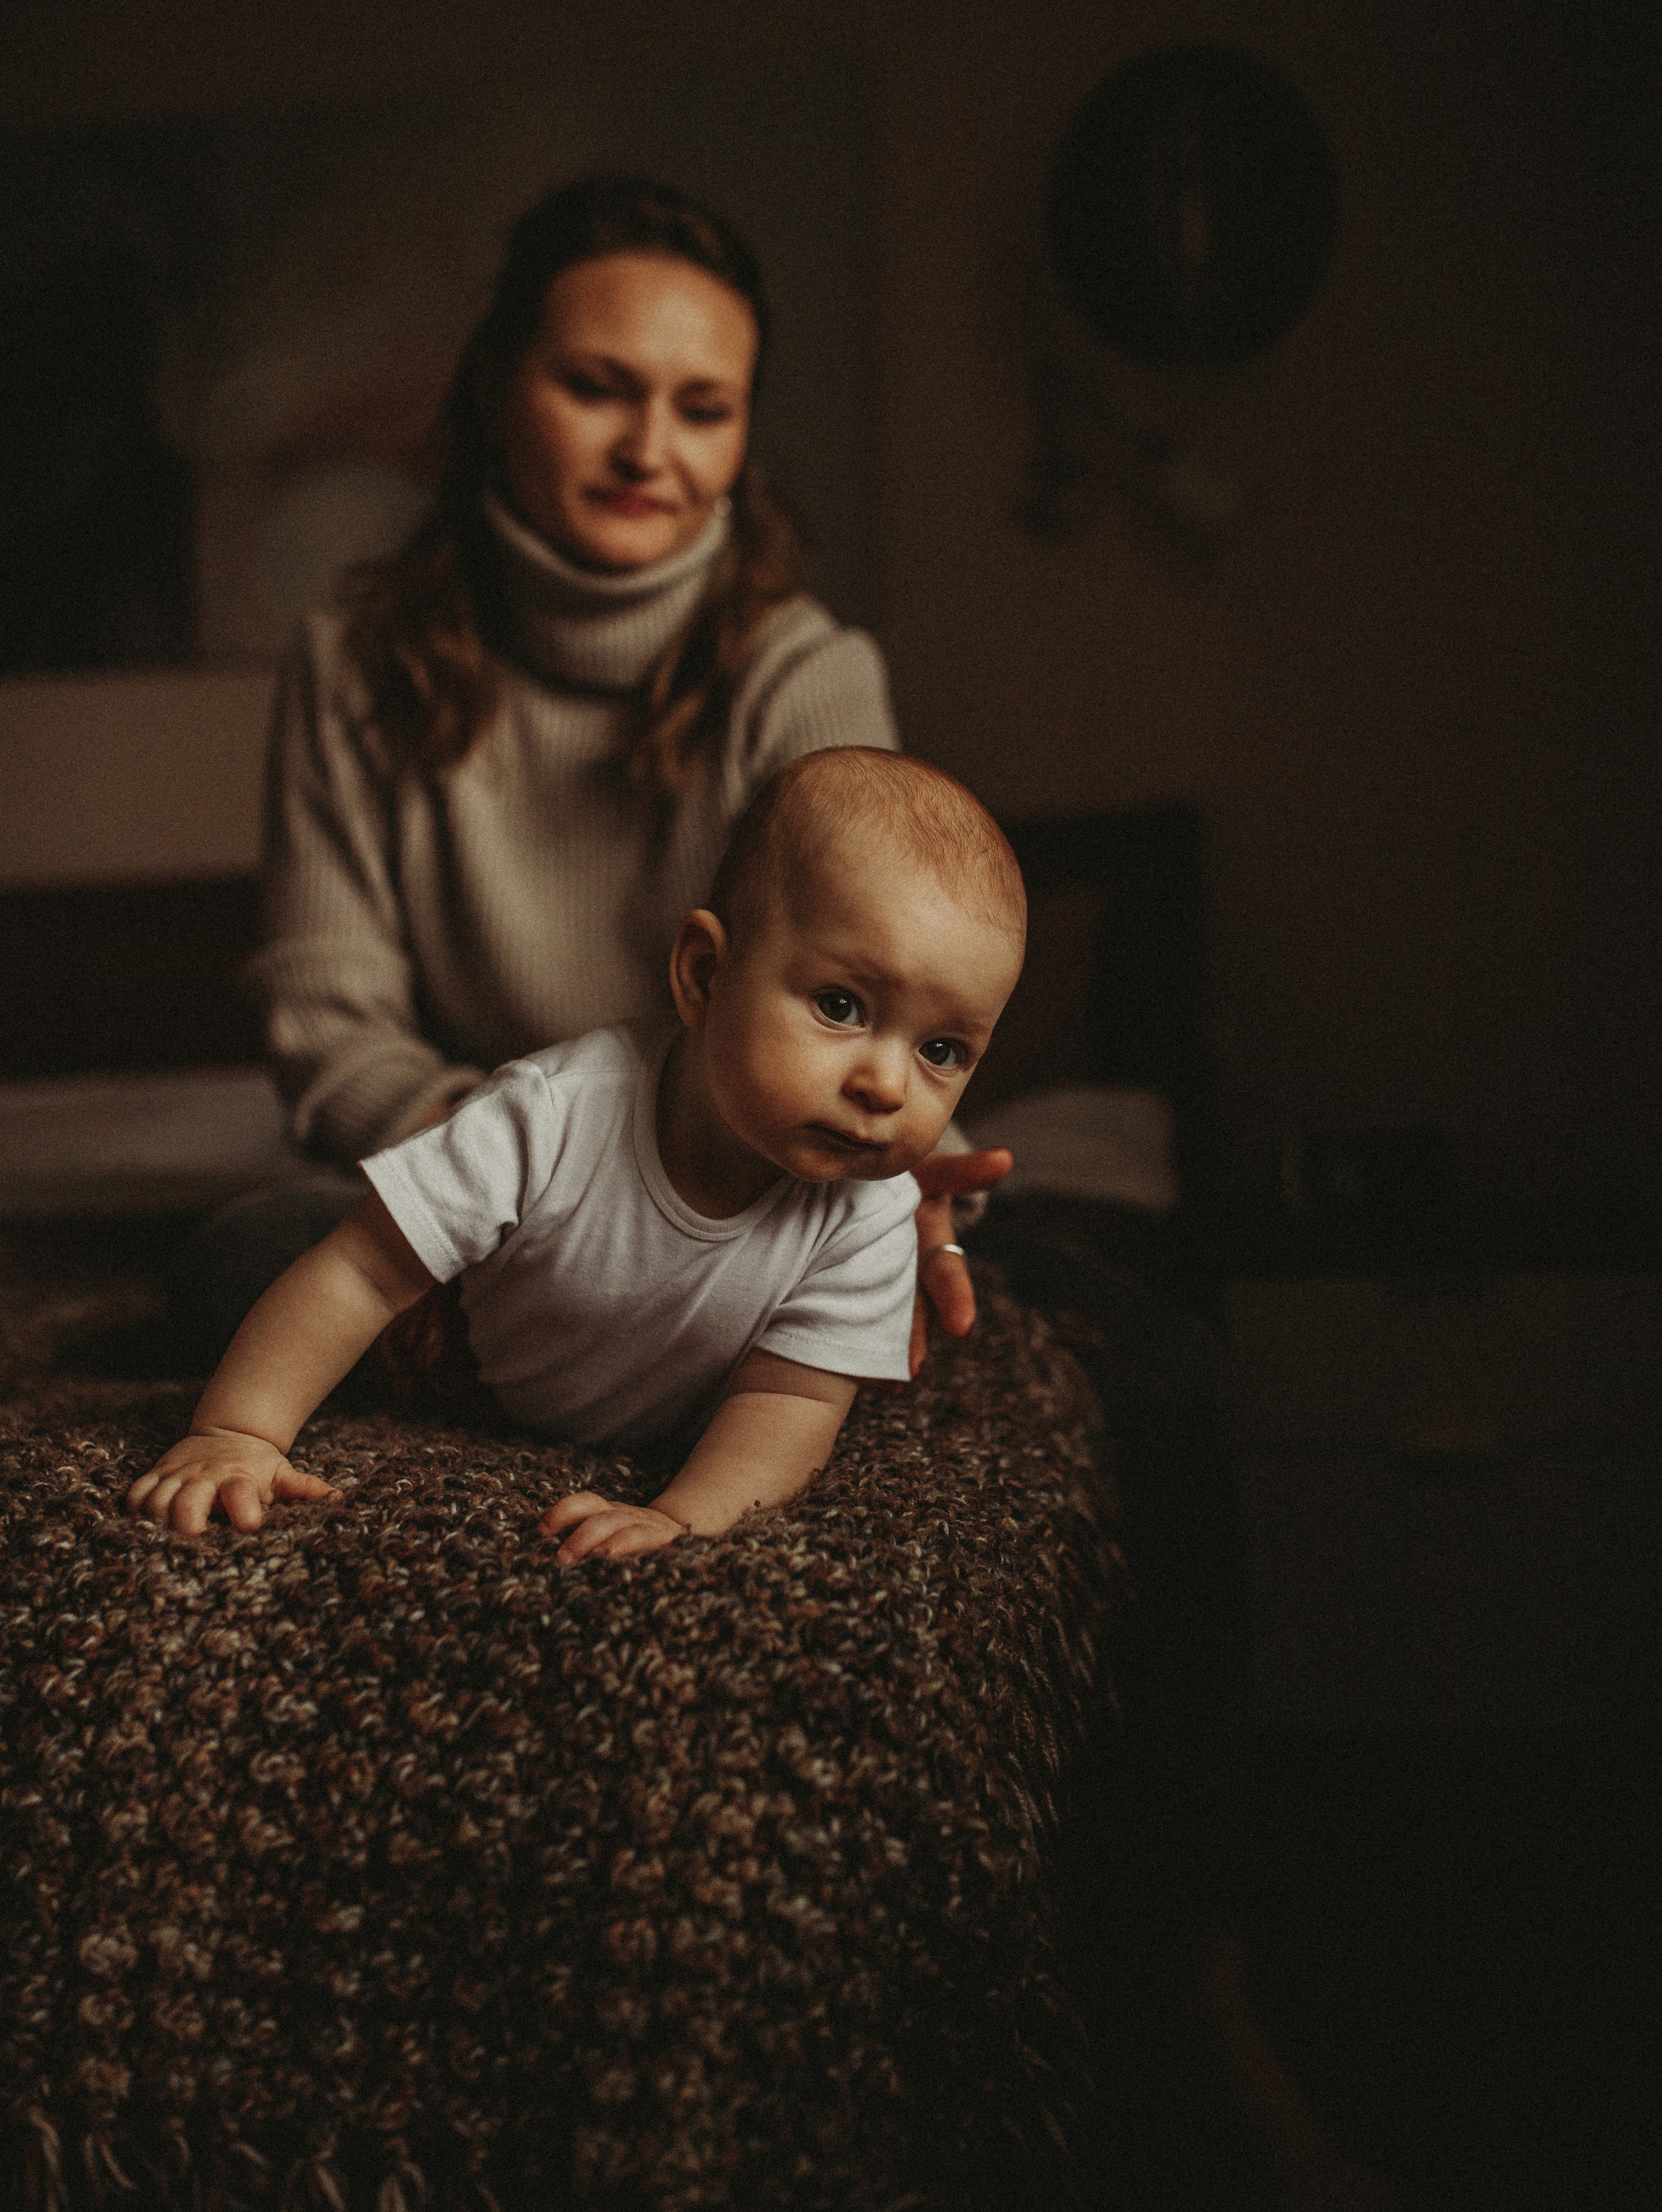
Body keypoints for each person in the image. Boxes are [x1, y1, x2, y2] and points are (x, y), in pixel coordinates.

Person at [178, 171, 1006, 1371]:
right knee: (243, 1258)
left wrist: (913, 1191)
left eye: (704, 409)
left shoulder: (806, 675)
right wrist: (540, 1170)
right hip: (475, 1174)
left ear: (742, 437)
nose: (648, 451)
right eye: (596, 388)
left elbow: (884, 992)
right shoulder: (348, 670)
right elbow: (332, 1028)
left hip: (744, 1174)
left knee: (1025, 1300)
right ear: (495, 389)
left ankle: (553, 1361)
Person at [131, 749, 1026, 1548]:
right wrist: (239, 1435)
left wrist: (684, 1517)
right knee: (247, 1262)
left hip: (639, 1391)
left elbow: (789, 1402)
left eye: (941, 1050)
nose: (887, 1085)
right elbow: (364, 1273)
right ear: (704, 975)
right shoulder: (553, 1113)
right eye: (840, 1006)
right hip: (450, 1336)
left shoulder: (873, 1213)